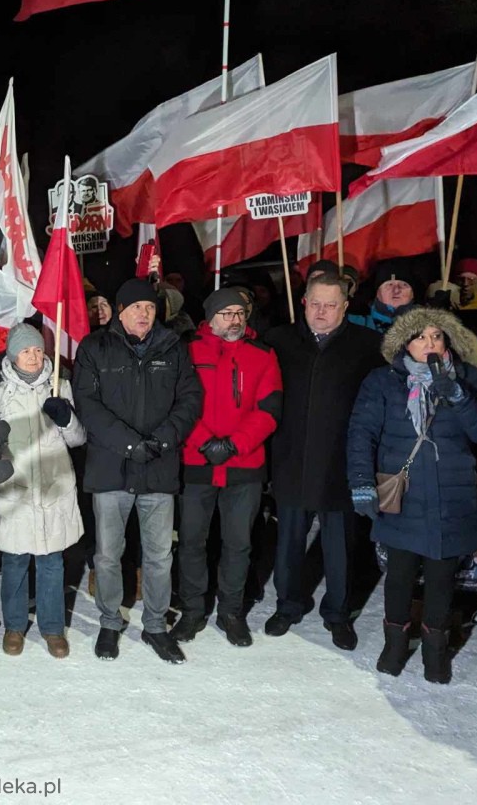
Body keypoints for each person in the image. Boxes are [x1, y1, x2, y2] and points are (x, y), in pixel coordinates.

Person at [348, 307, 477, 683]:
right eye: (420, 336)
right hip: (402, 496)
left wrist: (459, 396)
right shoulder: (382, 381)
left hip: (453, 497)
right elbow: (361, 432)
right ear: (405, 343)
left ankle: (436, 652)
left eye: (437, 336)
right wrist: (361, 482)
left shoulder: (468, 377)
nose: (429, 344)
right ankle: (395, 646)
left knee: (441, 577)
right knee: (399, 575)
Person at [74, 278, 203, 664]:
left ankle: (156, 626)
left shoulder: (173, 348)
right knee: (109, 554)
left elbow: (190, 400)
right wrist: (130, 444)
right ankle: (110, 623)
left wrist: (161, 442)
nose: (143, 313)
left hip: (159, 468)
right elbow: (88, 404)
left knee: (160, 555)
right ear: (118, 311)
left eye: (149, 307)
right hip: (112, 467)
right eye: (135, 308)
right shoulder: (94, 347)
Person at [263, 275, 382, 650]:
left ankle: (338, 614)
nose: (321, 312)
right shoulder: (280, 341)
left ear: (346, 306)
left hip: (341, 464)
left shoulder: (367, 346)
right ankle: (287, 605)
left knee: (341, 547)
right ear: (303, 302)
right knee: (288, 543)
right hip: (290, 459)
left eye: (330, 304)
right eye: (315, 303)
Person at [174, 288, 281, 648]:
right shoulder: (188, 351)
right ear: (210, 317)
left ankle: (231, 611)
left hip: (244, 465)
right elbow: (179, 403)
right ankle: (192, 610)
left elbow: (269, 410)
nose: (234, 320)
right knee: (191, 542)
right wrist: (204, 442)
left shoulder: (263, 355)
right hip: (197, 462)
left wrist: (234, 444)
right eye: (226, 313)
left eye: (240, 313)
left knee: (239, 544)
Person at [0, 323, 85, 658]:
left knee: (52, 560)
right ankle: (14, 625)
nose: (33, 356)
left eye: (38, 349)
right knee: (14, 559)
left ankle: (53, 629)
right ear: (12, 354)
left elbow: (78, 439)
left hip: (53, 486)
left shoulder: (59, 384)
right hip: (15, 486)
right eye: (26, 350)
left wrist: (66, 419)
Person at [348, 265, 417, 334]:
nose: (396, 290)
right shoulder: (351, 324)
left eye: (404, 285)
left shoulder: (426, 326)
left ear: (412, 294)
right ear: (378, 293)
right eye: (389, 285)